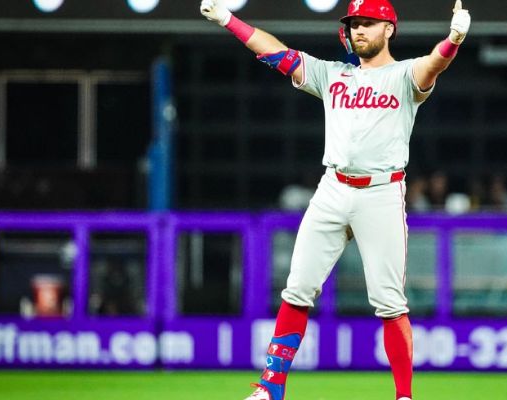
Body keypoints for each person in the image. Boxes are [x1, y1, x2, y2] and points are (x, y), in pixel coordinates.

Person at [199, 1, 470, 399]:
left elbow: (434, 65)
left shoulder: (402, 74)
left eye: (368, 23)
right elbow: (275, 52)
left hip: (381, 192)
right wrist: (229, 21)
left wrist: (453, 39)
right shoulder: (332, 73)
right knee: (297, 289)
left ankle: (404, 396)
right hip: (332, 188)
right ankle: (271, 387)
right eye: (354, 23)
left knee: (390, 302)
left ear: (388, 29)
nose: (359, 30)